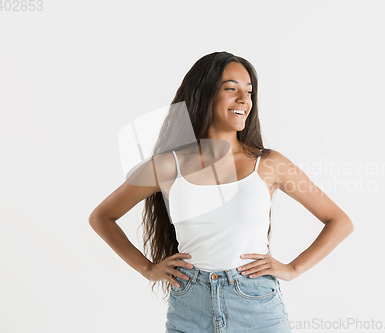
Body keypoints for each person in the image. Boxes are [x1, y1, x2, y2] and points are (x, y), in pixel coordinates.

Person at [89, 51, 354, 332]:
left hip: (256, 306)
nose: (244, 100)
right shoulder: (167, 166)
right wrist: (147, 268)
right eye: (231, 89)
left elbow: (339, 221)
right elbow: (102, 217)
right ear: (204, 94)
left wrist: (292, 269)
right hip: (190, 307)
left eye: (249, 92)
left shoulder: (269, 164)